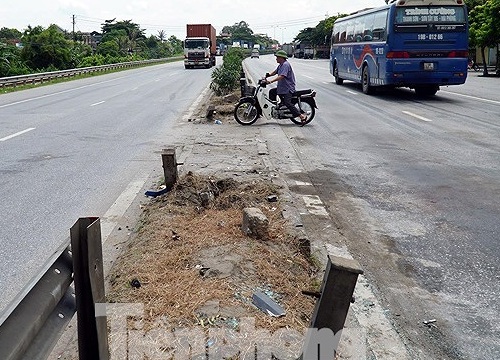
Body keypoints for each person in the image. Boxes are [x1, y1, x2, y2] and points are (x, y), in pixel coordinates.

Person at [265, 50, 308, 124]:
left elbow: (282, 76)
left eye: (277, 57)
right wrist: (268, 75)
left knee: (287, 103)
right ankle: (276, 108)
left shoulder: (285, 65)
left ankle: (301, 116)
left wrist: (270, 81)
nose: (276, 59)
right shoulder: (281, 65)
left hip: (288, 88)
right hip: (282, 88)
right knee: (272, 92)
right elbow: (275, 72)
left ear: (282, 58)